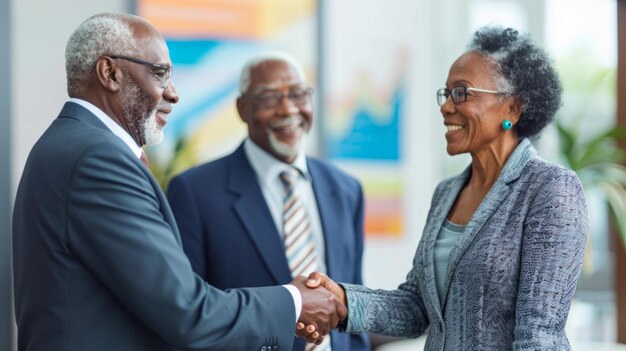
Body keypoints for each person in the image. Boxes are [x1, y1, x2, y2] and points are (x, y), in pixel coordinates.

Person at [12, 13, 346, 351]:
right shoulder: (96, 158)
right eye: (160, 74)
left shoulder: (72, 144)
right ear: (110, 73)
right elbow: (189, 312)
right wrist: (293, 302)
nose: (173, 94)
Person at [300, 26, 590, 350]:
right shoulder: (446, 194)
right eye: (447, 93)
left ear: (511, 108)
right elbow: (415, 308)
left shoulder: (550, 189)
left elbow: (539, 336)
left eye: (462, 93)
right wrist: (341, 300)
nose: (446, 107)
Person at [166, 52, 370, 351]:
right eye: (269, 98)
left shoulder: (346, 190)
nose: (288, 109)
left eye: (299, 94)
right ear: (243, 108)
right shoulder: (195, 192)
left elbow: (354, 304)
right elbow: (187, 312)